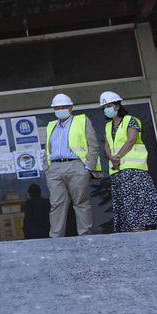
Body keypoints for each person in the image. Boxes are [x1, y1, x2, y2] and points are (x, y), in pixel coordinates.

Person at [99, 91, 157, 233]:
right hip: (117, 171)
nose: (107, 108)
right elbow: (107, 144)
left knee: (139, 200)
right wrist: (110, 157)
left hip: (134, 169)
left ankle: (143, 227)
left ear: (117, 106)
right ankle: (134, 229)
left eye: (110, 105)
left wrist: (117, 156)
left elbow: (131, 140)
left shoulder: (131, 120)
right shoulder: (108, 126)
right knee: (125, 203)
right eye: (105, 106)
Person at [42, 93, 98, 237]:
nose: (60, 109)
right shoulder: (51, 125)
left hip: (76, 166)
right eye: (57, 107)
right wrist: (47, 168)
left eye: (63, 107)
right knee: (56, 204)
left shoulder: (82, 121)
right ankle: (56, 237)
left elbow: (93, 145)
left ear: (71, 107)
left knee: (81, 202)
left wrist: (88, 168)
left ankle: (86, 236)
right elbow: (47, 148)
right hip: (55, 168)